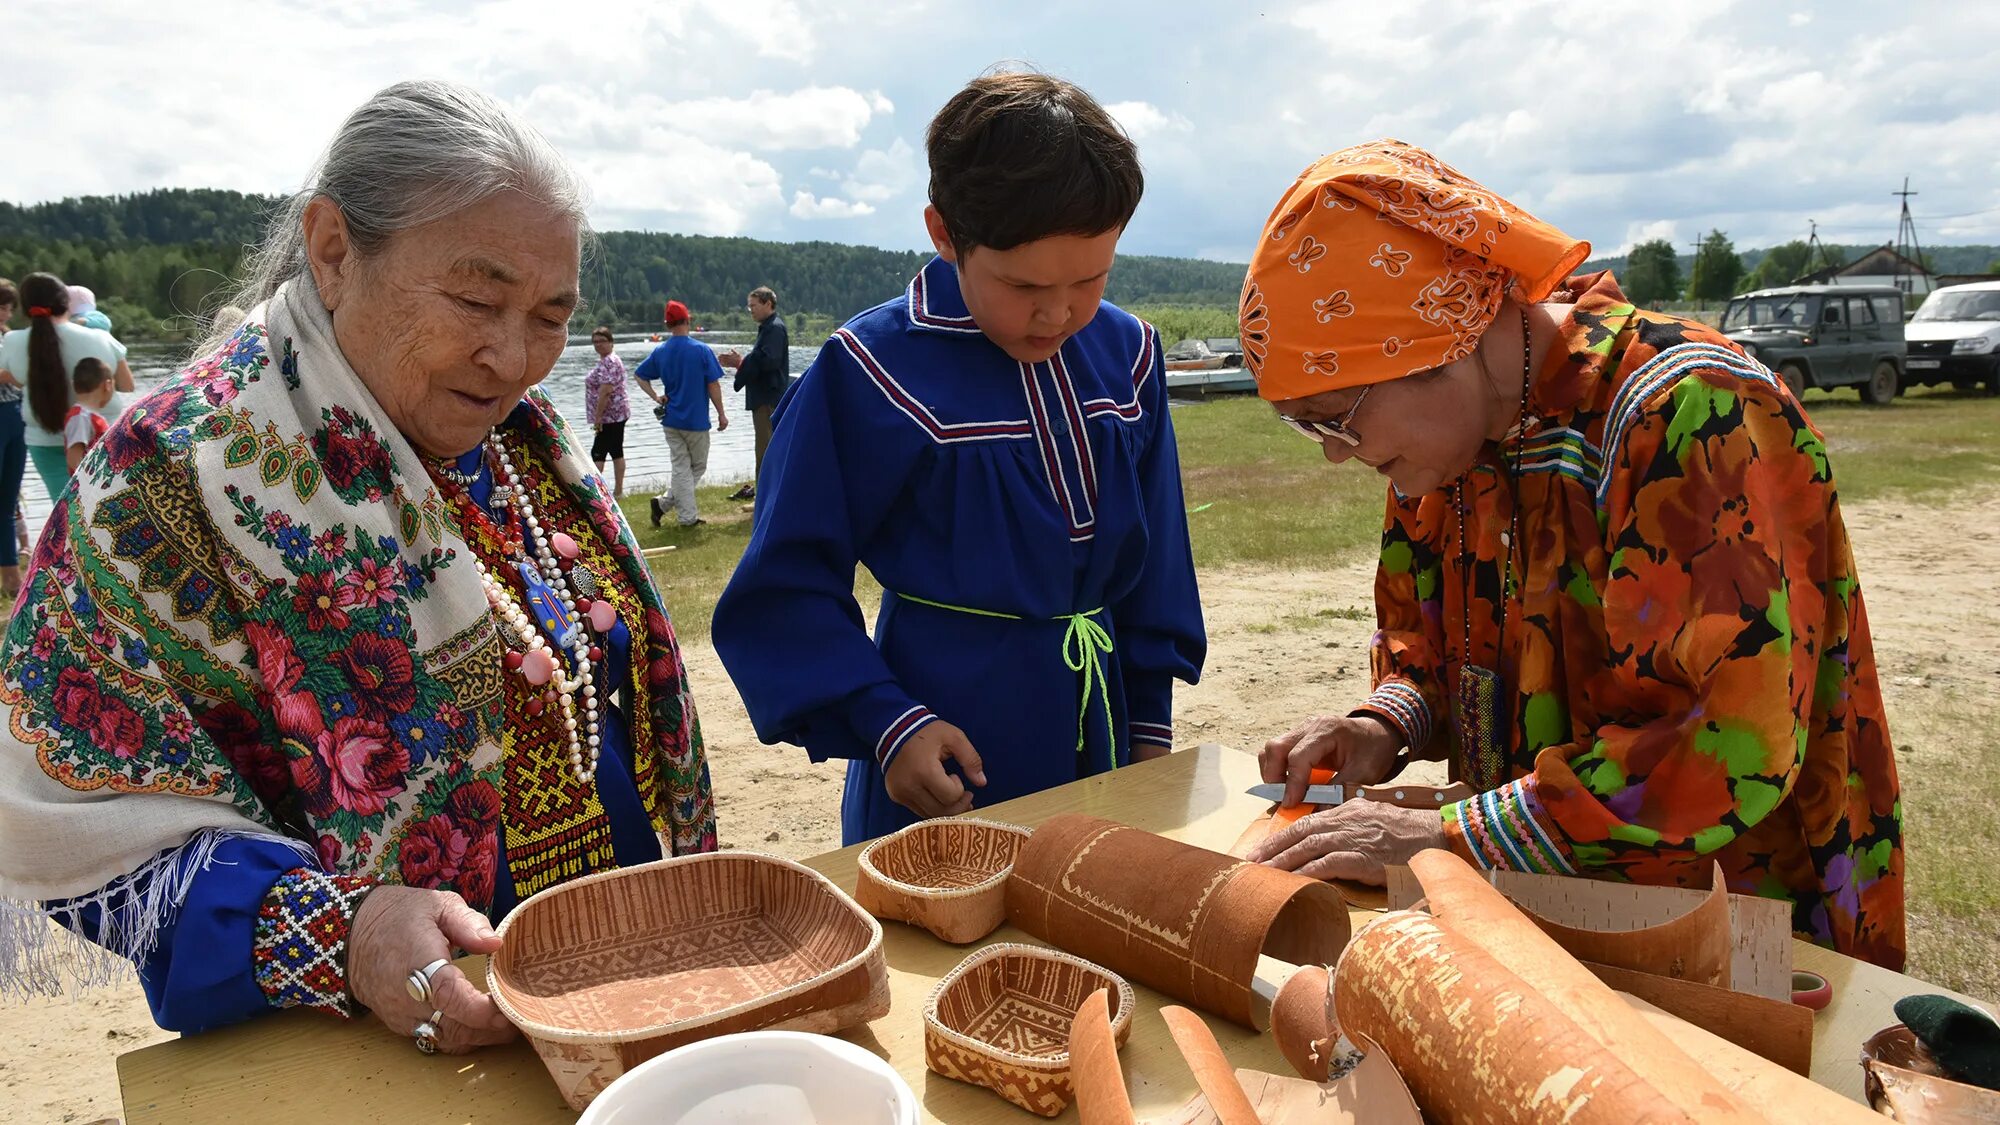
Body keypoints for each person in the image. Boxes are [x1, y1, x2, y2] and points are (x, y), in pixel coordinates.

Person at [0, 80, 717, 1052]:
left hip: (613, 965)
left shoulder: (525, 440)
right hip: (376, 1026)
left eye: (549, 315)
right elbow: (83, 808)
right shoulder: (171, 473)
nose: (511, 358)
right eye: (475, 298)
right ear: (332, 250)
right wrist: (347, 934)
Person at [1238, 140, 1903, 968]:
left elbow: (1726, 741)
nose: (1335, 452)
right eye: (1308, 427)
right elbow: (1439, 656)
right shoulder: (1445, 454)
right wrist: (1382, 723)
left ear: (1433, 338)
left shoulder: (1693, 411)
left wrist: (1450, 834)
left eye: (1337, 414)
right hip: (1545, 913)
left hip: (1739, 928)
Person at [712, 70, 1206, 845]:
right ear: (944, 233)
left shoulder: (1128, 353)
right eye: (1022, 283)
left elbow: (1158, 566)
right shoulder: (871, 370)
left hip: (1104, 737)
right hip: (945, 749)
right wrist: (887, 721)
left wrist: (1150, 726)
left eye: (1091, 278)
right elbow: (784, 586)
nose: (1058, 313)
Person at [0, 273, 136, 495]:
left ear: (25, 308)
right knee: (107, 507)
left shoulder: (13, 341)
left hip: (44, 440)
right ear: (65, 304)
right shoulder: (99, 337)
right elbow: (126, 385)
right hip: (100, 436)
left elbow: (17, 379)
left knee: (63, 511)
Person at [636, 300, 729, 529]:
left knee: (681, 468)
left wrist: (656, 396)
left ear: (668, 325)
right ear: (688, 320)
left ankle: (663, 504)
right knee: (696, 467)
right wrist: (721, 414)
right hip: (696, 421)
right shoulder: (702, 350)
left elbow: (640, 376)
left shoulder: (661, 351)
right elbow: (713, 385)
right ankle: (686, 518)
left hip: (671, 420)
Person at [719, 286, 788, 501]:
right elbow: (760, 359)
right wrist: (744, 363)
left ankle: (766, 500)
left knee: (765, 451)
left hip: (768, 399)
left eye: (754, 306)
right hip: (764, 398)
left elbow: (768, 361)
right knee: (764, 449)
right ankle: (766, 497)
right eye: (749, 307)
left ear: (768, 304)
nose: (751, 311)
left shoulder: (774, 328)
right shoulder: (768, 328)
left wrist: (741, 363)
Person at [582, 326, 630, 496]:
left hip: (610, 415)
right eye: (595, 342)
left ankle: (595, 492)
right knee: (616, 450)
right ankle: (617, 491)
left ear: (611, 342)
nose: (598, 345)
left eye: (602, 341)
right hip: (615, 414)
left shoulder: (609, 361)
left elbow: (606, 390)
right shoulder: (607, 360)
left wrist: (598, 418)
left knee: (598, 452)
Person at [0, 277, 21, 600]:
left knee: (9, 498)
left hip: (17, 413)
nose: (4, 313)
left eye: (7, 307)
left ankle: (11, 577)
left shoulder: (11, 337)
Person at [62, 357, 115, 473]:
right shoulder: (81, 417)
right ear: (108, 385)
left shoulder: (89, 416)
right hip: (90, 488)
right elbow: (74, 459)